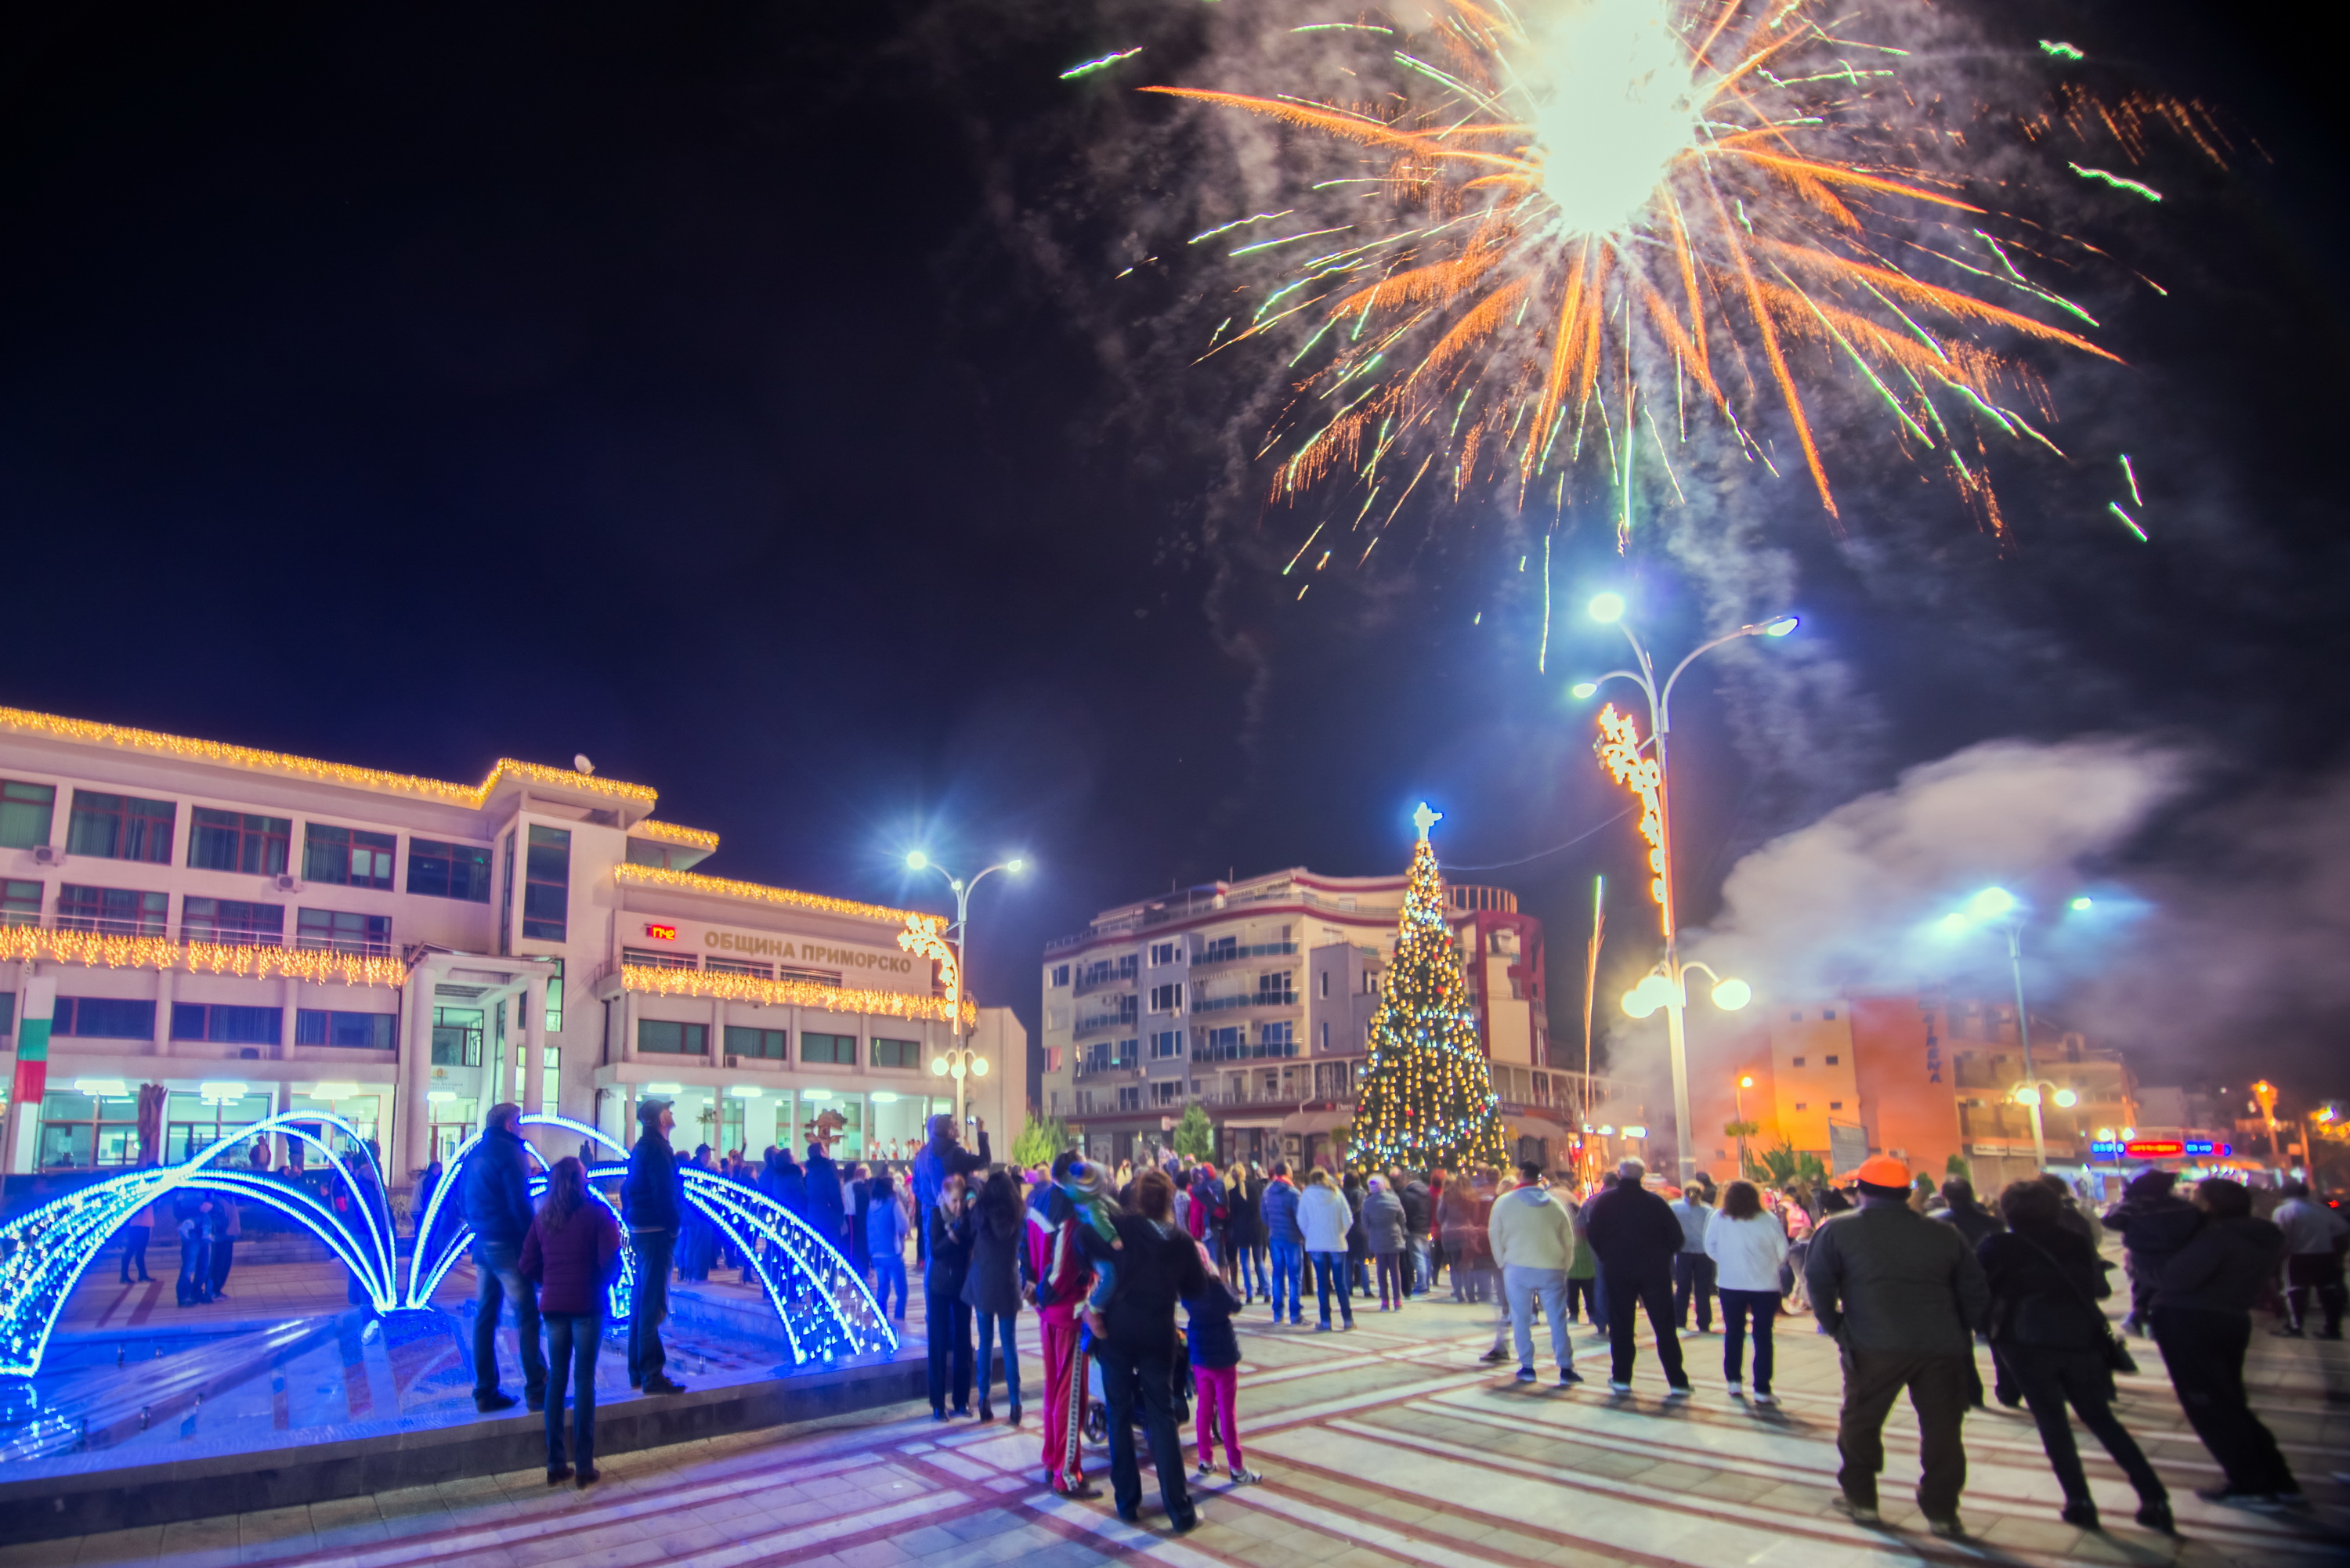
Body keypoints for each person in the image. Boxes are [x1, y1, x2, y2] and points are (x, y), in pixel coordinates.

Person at [1804, 1155, 1989, 1537]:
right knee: (1943, 1430)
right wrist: (1960, 1331)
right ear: (1908, 1194)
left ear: (1861, 1192)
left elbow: (1818, 1285)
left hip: (1873, 1344)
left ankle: (1863, 1500)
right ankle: (1942, 1511)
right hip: (1941, 1347)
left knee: (1861, 1421)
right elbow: (1975, 1291)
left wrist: (1838, 1329)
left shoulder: (1837, 1231)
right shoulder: (1943, 1233)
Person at [1977, 1179, 2170, 1532]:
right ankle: (2154, 1496)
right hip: (2079, 1337)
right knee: (2100, 1418)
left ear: (2008, 1211)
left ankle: (2079, 1501)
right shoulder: (2075, 1242)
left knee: (2052, 1422)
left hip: (2024, 1341)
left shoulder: (1996, 1246)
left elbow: (1980, 1291)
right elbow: (2096, 1287)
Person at [2150, 1177, 2304, 1509]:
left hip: (2192, 1323)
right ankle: (2278, 1479)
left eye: (2196, 1197)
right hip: (2229, 1319)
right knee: (2230, 1403)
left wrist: (2146, 1266)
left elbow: (2175, 1278)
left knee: (2210, 1407)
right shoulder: (2259, 1235)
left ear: (2211, 1205)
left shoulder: (2218, 1238)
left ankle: (2251, 1485)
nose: (2190, 1202)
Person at [1079, 1168, 1207, 1533]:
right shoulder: (1181, 1242)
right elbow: (1195, 1290)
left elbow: (1086, 1235)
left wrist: (1104, 1265)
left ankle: (1127, 1502)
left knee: (1118, 1412)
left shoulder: (1123, 1227)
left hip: (1117, 1333)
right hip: (1157, 1334)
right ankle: (1179, 1510)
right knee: (1161, 1416)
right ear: (1169, 1201)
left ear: (1137, 1198)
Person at [521, 1156, 620, 1489]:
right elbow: (611, 1261)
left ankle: (554, 1463)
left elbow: (527, 1263)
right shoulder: (597, 1213)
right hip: (588, 1305)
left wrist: (548, 1282)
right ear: (581, 1180)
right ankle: (584, 1466)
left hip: (553, 1307)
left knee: (556, 1381)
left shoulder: (543, 1217)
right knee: (584, 1382)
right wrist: (601, 1284)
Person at [1027, 1151, 1103, 1499]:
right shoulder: (1070, 1210)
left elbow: (1022, 1248)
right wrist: (1043, 1292)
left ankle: (1051, 1459)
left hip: (1048, 1313)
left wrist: (1030, 1287)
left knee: (1054, 1389)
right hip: (1067, 1311)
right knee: (1072, 1396)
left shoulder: (1038, 1196)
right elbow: (1062, 1269)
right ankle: (1067, 1473)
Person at [461, 1103, 546, 1414]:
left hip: (482, 1243)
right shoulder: (511, 1153)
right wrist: (533, 1242)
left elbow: (460, 1198)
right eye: (520, 1123)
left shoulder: (474, 1153)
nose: (523, 1128)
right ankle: (538, 1390)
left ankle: (485, 1392)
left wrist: (477, 1226)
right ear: (510, 1125)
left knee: (485, 1317)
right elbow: (520, 1204)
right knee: (527, 1314)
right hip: (508, 1244)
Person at [1582, 1159, 1689, 1396]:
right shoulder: (1656, 1202)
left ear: (1619, 1174)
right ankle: (1677, 1381)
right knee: (1664, 1326)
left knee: (1621, 1324)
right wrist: (1661, 1255)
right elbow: (1676, 1237)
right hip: (1654, 1271)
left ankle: (1621, 1378)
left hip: (1618, 1269)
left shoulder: (1605, 1202)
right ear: (1642, 1176)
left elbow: (1593, 1233)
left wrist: (1607, 1255)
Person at [1488, 1161, 1582, 1387]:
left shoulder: (1504, 1203)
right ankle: (1566, 1367)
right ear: (1539, 1178)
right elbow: (1569, 1238)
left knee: (1520, 1318)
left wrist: (1502, 1261)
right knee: (1557, 1318)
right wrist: (1564, 1265)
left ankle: (1527, 1367)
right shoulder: (1555, 1204)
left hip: (1517, 1266)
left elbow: (1494, 1233)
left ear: (1521, 1176)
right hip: (1551, 1267)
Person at [620, 1097, 688, 1395]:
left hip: (643, 1228)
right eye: (668, 1110)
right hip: (656, 1231)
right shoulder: (659, 1150)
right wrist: (673, 1227)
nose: (672, 1114)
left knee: (641, 1298)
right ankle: (652, 1374)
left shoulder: (642, 1147)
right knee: (653, 1303)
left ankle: (638, 1370)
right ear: (661, 1118)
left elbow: (627, 1188)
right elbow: (665, 1193)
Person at [1184, 1240, 1260, 1485]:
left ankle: (1205, 1460)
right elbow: (1235, 1305)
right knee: (1227, 1412)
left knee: (1204, 1407)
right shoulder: (1217, 1287)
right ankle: (1236, 1467)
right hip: (1223, 1356)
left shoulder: (1186, 1287)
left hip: (1199, 1355)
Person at [1705, 1180, 1789, 1404]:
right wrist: (1767, 1266)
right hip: (1765, 1286)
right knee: (1763, 1336)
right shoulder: (1768, 1219)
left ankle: (1734, 1382)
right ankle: (1762, 1389)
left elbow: (1710, 1247)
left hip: (1730, 1284)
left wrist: (1729, 1263)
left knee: (1733, 1332)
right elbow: (1783, 1251)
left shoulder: (1718, 1218)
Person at [2101, 1169, 2200, 1336]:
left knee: (2142, 1284)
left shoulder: (2133, 1208)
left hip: (2143, 1256)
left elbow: (2110, 1220)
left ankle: (2141, 1316)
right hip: (2177, 1255)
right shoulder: (2183, 1207)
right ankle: (2151, 1319)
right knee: (2162, 1288)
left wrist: (2126, 1201)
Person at [964, 1169, 1025, 1424]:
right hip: (1008, 1281)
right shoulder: (1017, 1214)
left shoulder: (979, 1212)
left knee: (986, 1342)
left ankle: (984, 1401)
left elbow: (969, 1187)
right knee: (1009, 1344)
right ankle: (1015, 1404)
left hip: (983, 1281)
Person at [926, 1172, 978, 1419]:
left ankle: (961, 1400)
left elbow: (978, 1183)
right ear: (944, 1198)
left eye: (960, 1200)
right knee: (937, 1341)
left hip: (962, 1285)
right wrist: (954, 1236)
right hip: (937, 1286)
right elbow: (934, 1251)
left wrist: (971, 1195)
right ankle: (937, 1402)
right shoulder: (936, 1216)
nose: (957, 1206)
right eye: (953, 1201)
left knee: (963, 1341)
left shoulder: (968, 1217)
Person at [2270, 1180, 2348, 1339]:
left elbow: (2279, 1235)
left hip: (2297, 1256)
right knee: (2328, 1292)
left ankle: (2295, 1327)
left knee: (2294, 1292)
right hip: (2325, 1255)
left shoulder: (2283, 1211)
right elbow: (2342, 1227)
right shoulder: (2321, 1209)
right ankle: (2332, 1329)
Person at [913, 1113, 993, 1262]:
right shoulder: (955, 1153)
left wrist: (933, 1202)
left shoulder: (925, 1154)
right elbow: (985, 1161)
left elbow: (916, 1186)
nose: (958, 1128)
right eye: (955, 1125)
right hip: (956, 1212)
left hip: (934, 1212)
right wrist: (980, 1132)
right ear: (949, 1131)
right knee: (958, 1259)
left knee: (935, 1258)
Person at [1298, 1168, 1356, 1331]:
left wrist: (1310, 1234)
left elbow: (1301, 1219)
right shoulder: (1337, 1193)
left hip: (1316, 1243)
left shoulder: (1307, 1195)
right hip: (1336, 1243)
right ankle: (1347, 1320)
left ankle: (1325, 1321)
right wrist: (1340, 1233)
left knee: (1322, 1284)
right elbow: (1348, 1219)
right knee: (1340, 1283)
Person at [1261, 1162, 1305, 1326]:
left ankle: (1278, 1313)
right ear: (1287, 1172)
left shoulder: (1267, 1192)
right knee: (1295, 1277)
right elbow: (1300, 1217)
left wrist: (1272, 1226)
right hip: (1292, 1238)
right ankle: (1295, 1314)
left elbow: (1263, 1215)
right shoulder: (1293, 1193)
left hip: (1275, 1237)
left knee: (1278, 1275)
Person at [1669, 1183, 1716, 1333]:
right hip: (1703, 1253)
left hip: (1683, 1251)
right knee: (1702, 1290)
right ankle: (1704, 1322)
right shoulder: (1708, 1210)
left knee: (1683, 1288)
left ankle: (1679, 1320)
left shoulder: (1674, 1207)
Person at [865, 1170, 911, 1317]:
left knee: (882, 1289)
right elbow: (904, 1225)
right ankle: (899, 1321)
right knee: (902, 1292)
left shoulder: (871, 1205)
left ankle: (880, 1320)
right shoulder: (893, 1203)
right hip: (892, 1253)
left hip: (876, 1253)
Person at [1362, 1175, 1408, 1310]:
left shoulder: (1368, 1203)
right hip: (1394, 1236)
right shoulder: (1394, 1199)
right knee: (1395, 1270)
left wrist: (1372, 1231)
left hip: (1377, 1238)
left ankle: (1385, 1302)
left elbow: (1365, 1223)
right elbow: (1402, 1218)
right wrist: (1398, 1228)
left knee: (1381, 1270)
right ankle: (1397, 1301)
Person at [1225, 1165, 1266, 1303]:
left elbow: (1233, 1214)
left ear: (1233, 1176)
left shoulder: (1232, 1193)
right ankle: (1267, 1290)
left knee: (1245, 1262)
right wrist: (1260, 1173)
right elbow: (1265, 1184)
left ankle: (1249, 1294)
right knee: (1259, 1261)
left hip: (1242, 1229)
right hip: (1257, 1228)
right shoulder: (1256, 1187)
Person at [804, 1140, 848, 1253]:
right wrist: (840, 1213)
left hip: (813, 1216)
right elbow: (835, 1195)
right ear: (822, 1153)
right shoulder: (829, 1171)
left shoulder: (809, 1174)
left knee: (816, 1252)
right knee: (832, 1252)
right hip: (829, 1218)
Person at [120, 1187, 159, 1284]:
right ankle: (124, 1276)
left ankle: (142, 1275)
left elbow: (156, 1205)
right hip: (137, 1225)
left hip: (146, 1224)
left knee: (140, 1251)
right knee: (130, 1250)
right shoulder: (138, 1194)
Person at [414, 1158, 446, 1241]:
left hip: (416, 1209)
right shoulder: (429, 1179)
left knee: (420, 1234)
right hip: (421, 1210)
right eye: (440, 1170)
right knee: (425, 1235)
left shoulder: (423, 1177)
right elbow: (428, 1196)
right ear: (435, 1170)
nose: (441, 1173)